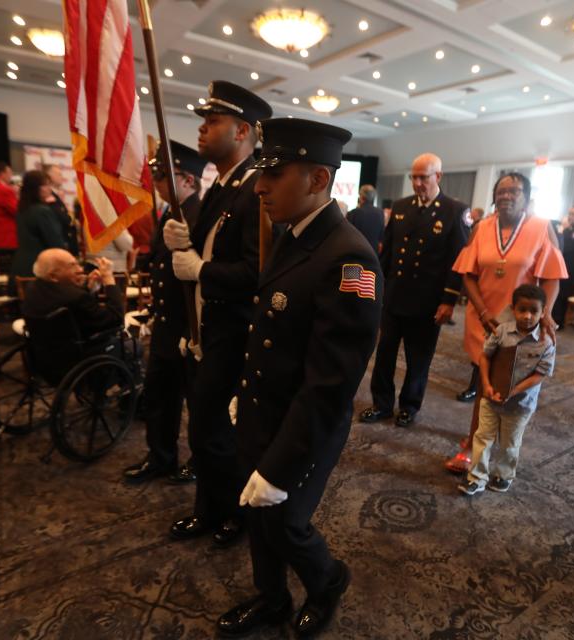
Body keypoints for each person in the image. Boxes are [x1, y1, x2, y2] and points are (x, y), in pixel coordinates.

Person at [216, 117, 382, 639]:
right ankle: (271, 599)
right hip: (267, 408)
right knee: (257, 515)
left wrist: (283, 464)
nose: (260, 185)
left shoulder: (351, 257)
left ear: (316, 180)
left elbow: (332, 383)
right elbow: (270, 329)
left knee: (286, 522)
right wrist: (247, 393)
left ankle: (327, 580)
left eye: (276, 173)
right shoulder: (294, 234)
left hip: (307, 425)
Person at [162, 80, 273, 548]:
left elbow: (256, 273)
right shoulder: (220, 187)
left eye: (214, 122)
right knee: (204, 428)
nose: (202, 130)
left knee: (222, 431)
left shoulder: (255, 190)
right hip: (208, 328)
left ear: (243, 130)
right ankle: (208, 508)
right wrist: (183, 241)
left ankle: (234, 514)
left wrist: (201, 268)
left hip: (235, 332)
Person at [445, 172, 566, 473]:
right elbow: (468, 274)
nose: (506, 196)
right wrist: (485, 313)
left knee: (510, 388)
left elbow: (552, 277)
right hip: (485, 320)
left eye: (514, 191)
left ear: (526, 196)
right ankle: (476, 443)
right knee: (484, 382)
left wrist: (546, 313)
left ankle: (487, 447)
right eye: (501, 190)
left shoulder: (541, 228)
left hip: (521, 325)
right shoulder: (482, 227)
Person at [359, 153, 468, 426]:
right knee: (384, 354)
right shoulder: (400, 206)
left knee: (418, 359)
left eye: (424, 177)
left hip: (427, 302)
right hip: (395, 298)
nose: (418, 183)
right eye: (414, 177)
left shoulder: (454, 210)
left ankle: (409, 406)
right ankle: (381, 403)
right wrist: (377, 289)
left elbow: (458, 261)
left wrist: (449, 301)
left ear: (438, 177)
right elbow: (388, 253)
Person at [123, 140, 206, 484]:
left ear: (187, 179)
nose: (155, 182)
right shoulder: (169, 214)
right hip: (166, 325)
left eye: (161, 175)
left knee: (198, 403)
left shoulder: (201, 215)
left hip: (192, 328)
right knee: (159, 396)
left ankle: (201, 461)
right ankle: (161, 457)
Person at [459, 284, 555, 495]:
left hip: (520, 403)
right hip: (491, 397)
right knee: (483, 436)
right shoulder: (502, 331)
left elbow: (541, 374)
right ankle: (476, 477)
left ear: (543, 312)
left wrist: (515, 391)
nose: (528, 316)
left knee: (510, 443)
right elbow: (485, 357)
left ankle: (502, 475)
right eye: (522, 310)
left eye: (534, 311)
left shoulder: (546, 343)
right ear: (513, 309)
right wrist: (486, 384)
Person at [23, 248, 123, 335]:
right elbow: (115, 318)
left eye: (77, 264)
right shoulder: (76, 297)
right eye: (72, 265)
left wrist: (88, 289)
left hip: (43, 352)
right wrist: (108, 278)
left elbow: (74, 306)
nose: (80, 269)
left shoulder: (32, 288)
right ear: (53, 276)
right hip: (82, 353)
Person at [11, 170, 68, 278]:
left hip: (21, 265)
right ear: (34, 188)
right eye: (45, 185)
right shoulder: (42, 211)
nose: (49, 189)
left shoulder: (22, 210)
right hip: (40, 267)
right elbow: (56, 243)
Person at [43, 164, 80, 256]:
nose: (61, 177)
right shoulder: (48, 196)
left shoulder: (55, 195)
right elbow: (62, 218)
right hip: (59, 243)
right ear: (50, 176)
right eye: (59, 174)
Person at [345, 184, 385, 253]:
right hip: (373, 253)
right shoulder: (380, 213)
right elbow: (381, 236)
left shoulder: (353, 213)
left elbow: (348, 235)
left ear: (362, 197)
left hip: (356, 251)